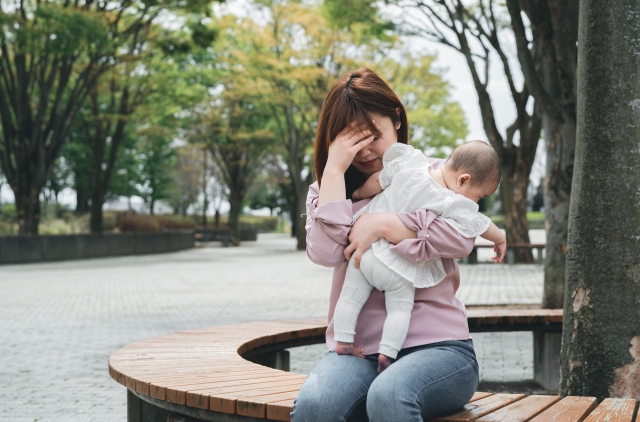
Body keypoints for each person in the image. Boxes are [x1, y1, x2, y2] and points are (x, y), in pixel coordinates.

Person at [291, 67, 483, 422]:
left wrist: (386, 225)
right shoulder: (327, 192)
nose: (364, 152)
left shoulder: (435, 176)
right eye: (350, 142)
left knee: (390, 395)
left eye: (372, 136)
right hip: (356, 353)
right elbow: (326, 253)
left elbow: (462, 238)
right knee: (316, 406)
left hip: (440, 349)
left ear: (396, 118)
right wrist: (333, 173)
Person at [334, 141, 506, 373]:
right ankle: (388, 353)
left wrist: (357, 194)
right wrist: (499, 238)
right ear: (463, 180)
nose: (475, 203)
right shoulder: (451, 200)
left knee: (349, 297)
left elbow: (377, 181)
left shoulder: (410, 162)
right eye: (479, 196)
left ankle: (343, 342)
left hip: (363, 250)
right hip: (394, 265)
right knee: (400, 308)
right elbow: (480, 224)